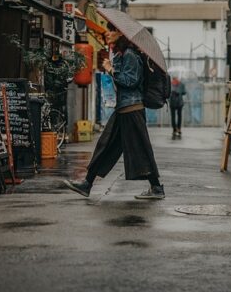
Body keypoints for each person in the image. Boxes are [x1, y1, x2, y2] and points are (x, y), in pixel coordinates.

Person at [63, 29, 165, 200]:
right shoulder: (122, 54)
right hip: (123, 109)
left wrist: (111, 70)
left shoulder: (131, 55)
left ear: (122, 34)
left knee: (140, 149)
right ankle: (87, 184)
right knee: (106, 145)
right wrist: (112, 63)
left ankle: (156, 187)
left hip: (132, 109)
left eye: (112, 30)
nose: (107, 33)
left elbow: (131, 81)